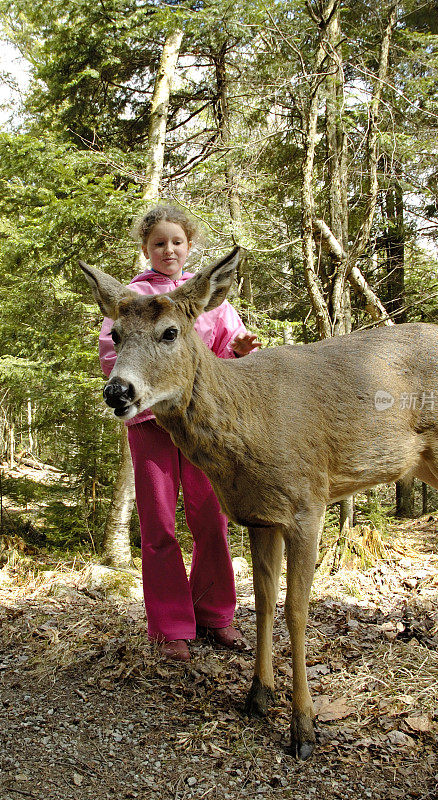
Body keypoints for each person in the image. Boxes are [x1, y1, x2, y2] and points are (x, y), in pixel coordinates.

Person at [99, 204, 260, 662]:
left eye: (176, 242)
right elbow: (114, 356)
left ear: (189, 246)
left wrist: (241, 348)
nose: (168, 249)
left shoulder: (210, 300)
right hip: (150, 426)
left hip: (202, 426)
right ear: (146, 248)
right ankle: (171, 626)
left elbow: (225, 353)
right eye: (158, 243)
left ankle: (215, 614)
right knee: (158, 527)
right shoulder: (130, 299)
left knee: (212, 520)